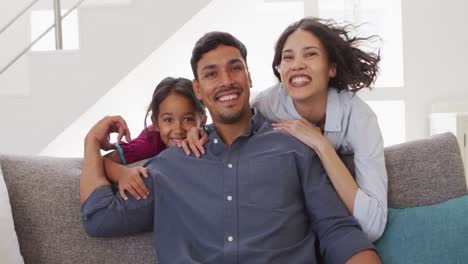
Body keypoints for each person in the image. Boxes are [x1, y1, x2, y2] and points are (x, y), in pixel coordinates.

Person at [80, 31, 381, 263]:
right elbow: (99, 216)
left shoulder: (294, 149)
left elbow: (339, 232)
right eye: (211, 74)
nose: (226, 81)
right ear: (198, 90)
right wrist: (92, 144)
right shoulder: (172, 164)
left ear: (249, 77)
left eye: (234, 69)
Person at [183, 17, 388, 242]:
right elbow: (229, 114)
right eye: (288, 57)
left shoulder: (360, 117)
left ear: (331, 68)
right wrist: (200, 130)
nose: (297, 64)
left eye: (310, 54)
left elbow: (372, 226)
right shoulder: (269, 104)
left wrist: (321, 145)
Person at [98, 77, 206, 200]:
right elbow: (101, 162)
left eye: (188, 119)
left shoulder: (208, 139)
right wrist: (121, 173)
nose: (178, 130)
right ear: (156, 124)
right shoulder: (148, 143)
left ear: (203, 121)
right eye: (168, 120)